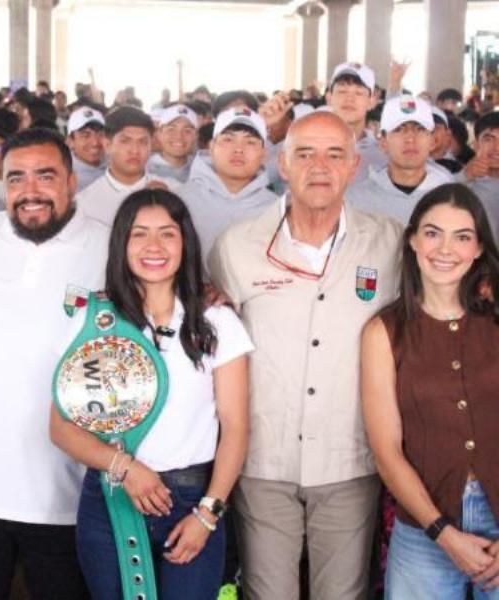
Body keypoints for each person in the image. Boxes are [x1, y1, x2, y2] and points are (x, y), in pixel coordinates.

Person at [209, 111, 403, 600]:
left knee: (342, 594)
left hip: (349, 460)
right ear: (282, 164)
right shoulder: (237, 245)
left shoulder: (390, 244)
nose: (320, 167)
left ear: (355, 165)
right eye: (305, 154)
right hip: (263, 460)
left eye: (335, 155)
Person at [50, 188, 252, 600]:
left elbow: (235, 428)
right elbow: (61, 428)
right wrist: (125, 468)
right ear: (121, 244)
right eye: (139, 234)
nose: (154, 246)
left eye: (167, 233)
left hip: (193, 500)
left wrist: (208, 513)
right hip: (111, 499)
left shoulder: (216, 321)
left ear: (185, 242)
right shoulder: (95, 320)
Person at [0, 127, 108, 599]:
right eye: (16, 178)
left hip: (66, 484)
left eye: (45, 176)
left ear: (71, 181)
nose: (30, 190)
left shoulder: (109, 246)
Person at [361, 183, 499, 599]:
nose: (445, 249)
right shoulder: (384, 331)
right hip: (424, 528)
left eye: (462, 236)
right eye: (433, 233)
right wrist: (442, 533)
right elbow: (387, 451)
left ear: (479, 248)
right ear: (413, 240)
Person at [180, 108, 277, 266]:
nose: (238, 149)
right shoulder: (181, 200)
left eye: (250, 142)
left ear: (263, 153)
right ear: (211, 147)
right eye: (228, 139)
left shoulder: (276, 209)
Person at [347, 94, 452, 225]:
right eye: (399, 129)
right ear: (383, 142)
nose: (410, 139)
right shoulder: (356, 200)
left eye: (420, 129)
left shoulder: (450, 196)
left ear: (432, 141)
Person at [77, 106, 178, 225]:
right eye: (125, 141)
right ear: (107, 145)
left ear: (151, 146)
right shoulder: (85, 203)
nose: (135, 150)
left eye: (142, 142)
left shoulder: (174, 190)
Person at [462, 112, 499, 241]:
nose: (497, 148)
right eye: (489, 139)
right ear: (476, 144)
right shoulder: (461, 182)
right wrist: (464, 176)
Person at [147, 104, 198, 183]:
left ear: (196, 136)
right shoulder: (142, 169)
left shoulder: (202, 169)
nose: (179, 137)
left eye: (187, 130)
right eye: (171, 129)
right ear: (159, 133)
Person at [66, 107, 107, 192]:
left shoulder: (116, 165)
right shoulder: (65, 176)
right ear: (71, 141)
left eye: (100, 134)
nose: (95, 143)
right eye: (85, 135)